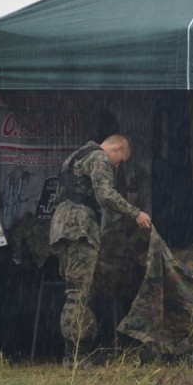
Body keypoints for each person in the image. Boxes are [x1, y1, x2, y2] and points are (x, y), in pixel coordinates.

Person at [49, 134, 152, 366]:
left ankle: (73, 353)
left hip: (62, 226)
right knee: (80, 291)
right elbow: (105, 195)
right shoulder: (99, 158)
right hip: (80, 227)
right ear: (115, 148)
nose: (118, 165)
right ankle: (76, 355)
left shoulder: (75, 157)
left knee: (74, 287)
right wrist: (136, 213)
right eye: (120, 160)